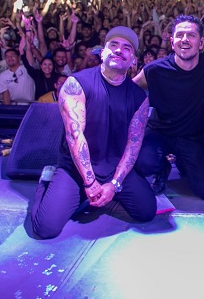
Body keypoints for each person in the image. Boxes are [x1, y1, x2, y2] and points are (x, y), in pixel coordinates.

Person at [30, 26, 156, 239]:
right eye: (113, 45)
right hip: (76, 170)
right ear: (102, 52)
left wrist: (114, 185)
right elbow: (74, 135)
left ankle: (100, 194)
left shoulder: (139, 97)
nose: (119, 50)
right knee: (45, 228)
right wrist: (89, 183)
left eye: (126, 48)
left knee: (146, 212)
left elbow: (133, 145)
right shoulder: (76, 84)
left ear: (133, 60)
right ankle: (46, 183)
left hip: (113, 168)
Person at [133, 15, 204, 200]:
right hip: (159, 133)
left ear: (201, 42)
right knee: (144, 163)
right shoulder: (155, 70)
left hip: (191, 137)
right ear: (172, 41)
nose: (184, 39)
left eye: (191, 35)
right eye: (180, 35)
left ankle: (184, 163)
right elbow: (128, 91)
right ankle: (162, 167)